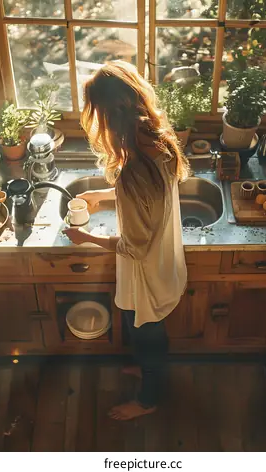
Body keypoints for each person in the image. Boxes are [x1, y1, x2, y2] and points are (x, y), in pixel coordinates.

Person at [63, 61, 189, 421]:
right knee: (150, 334)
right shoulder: (157, 139)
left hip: (145, 277)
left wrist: (84, 237)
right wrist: (101, 195)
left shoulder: (133, 171)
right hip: (165, 265)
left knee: (147, 336)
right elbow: (148, 198)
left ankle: (149, 398)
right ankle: (150, 368)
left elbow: (133, 246)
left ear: (108, 115)